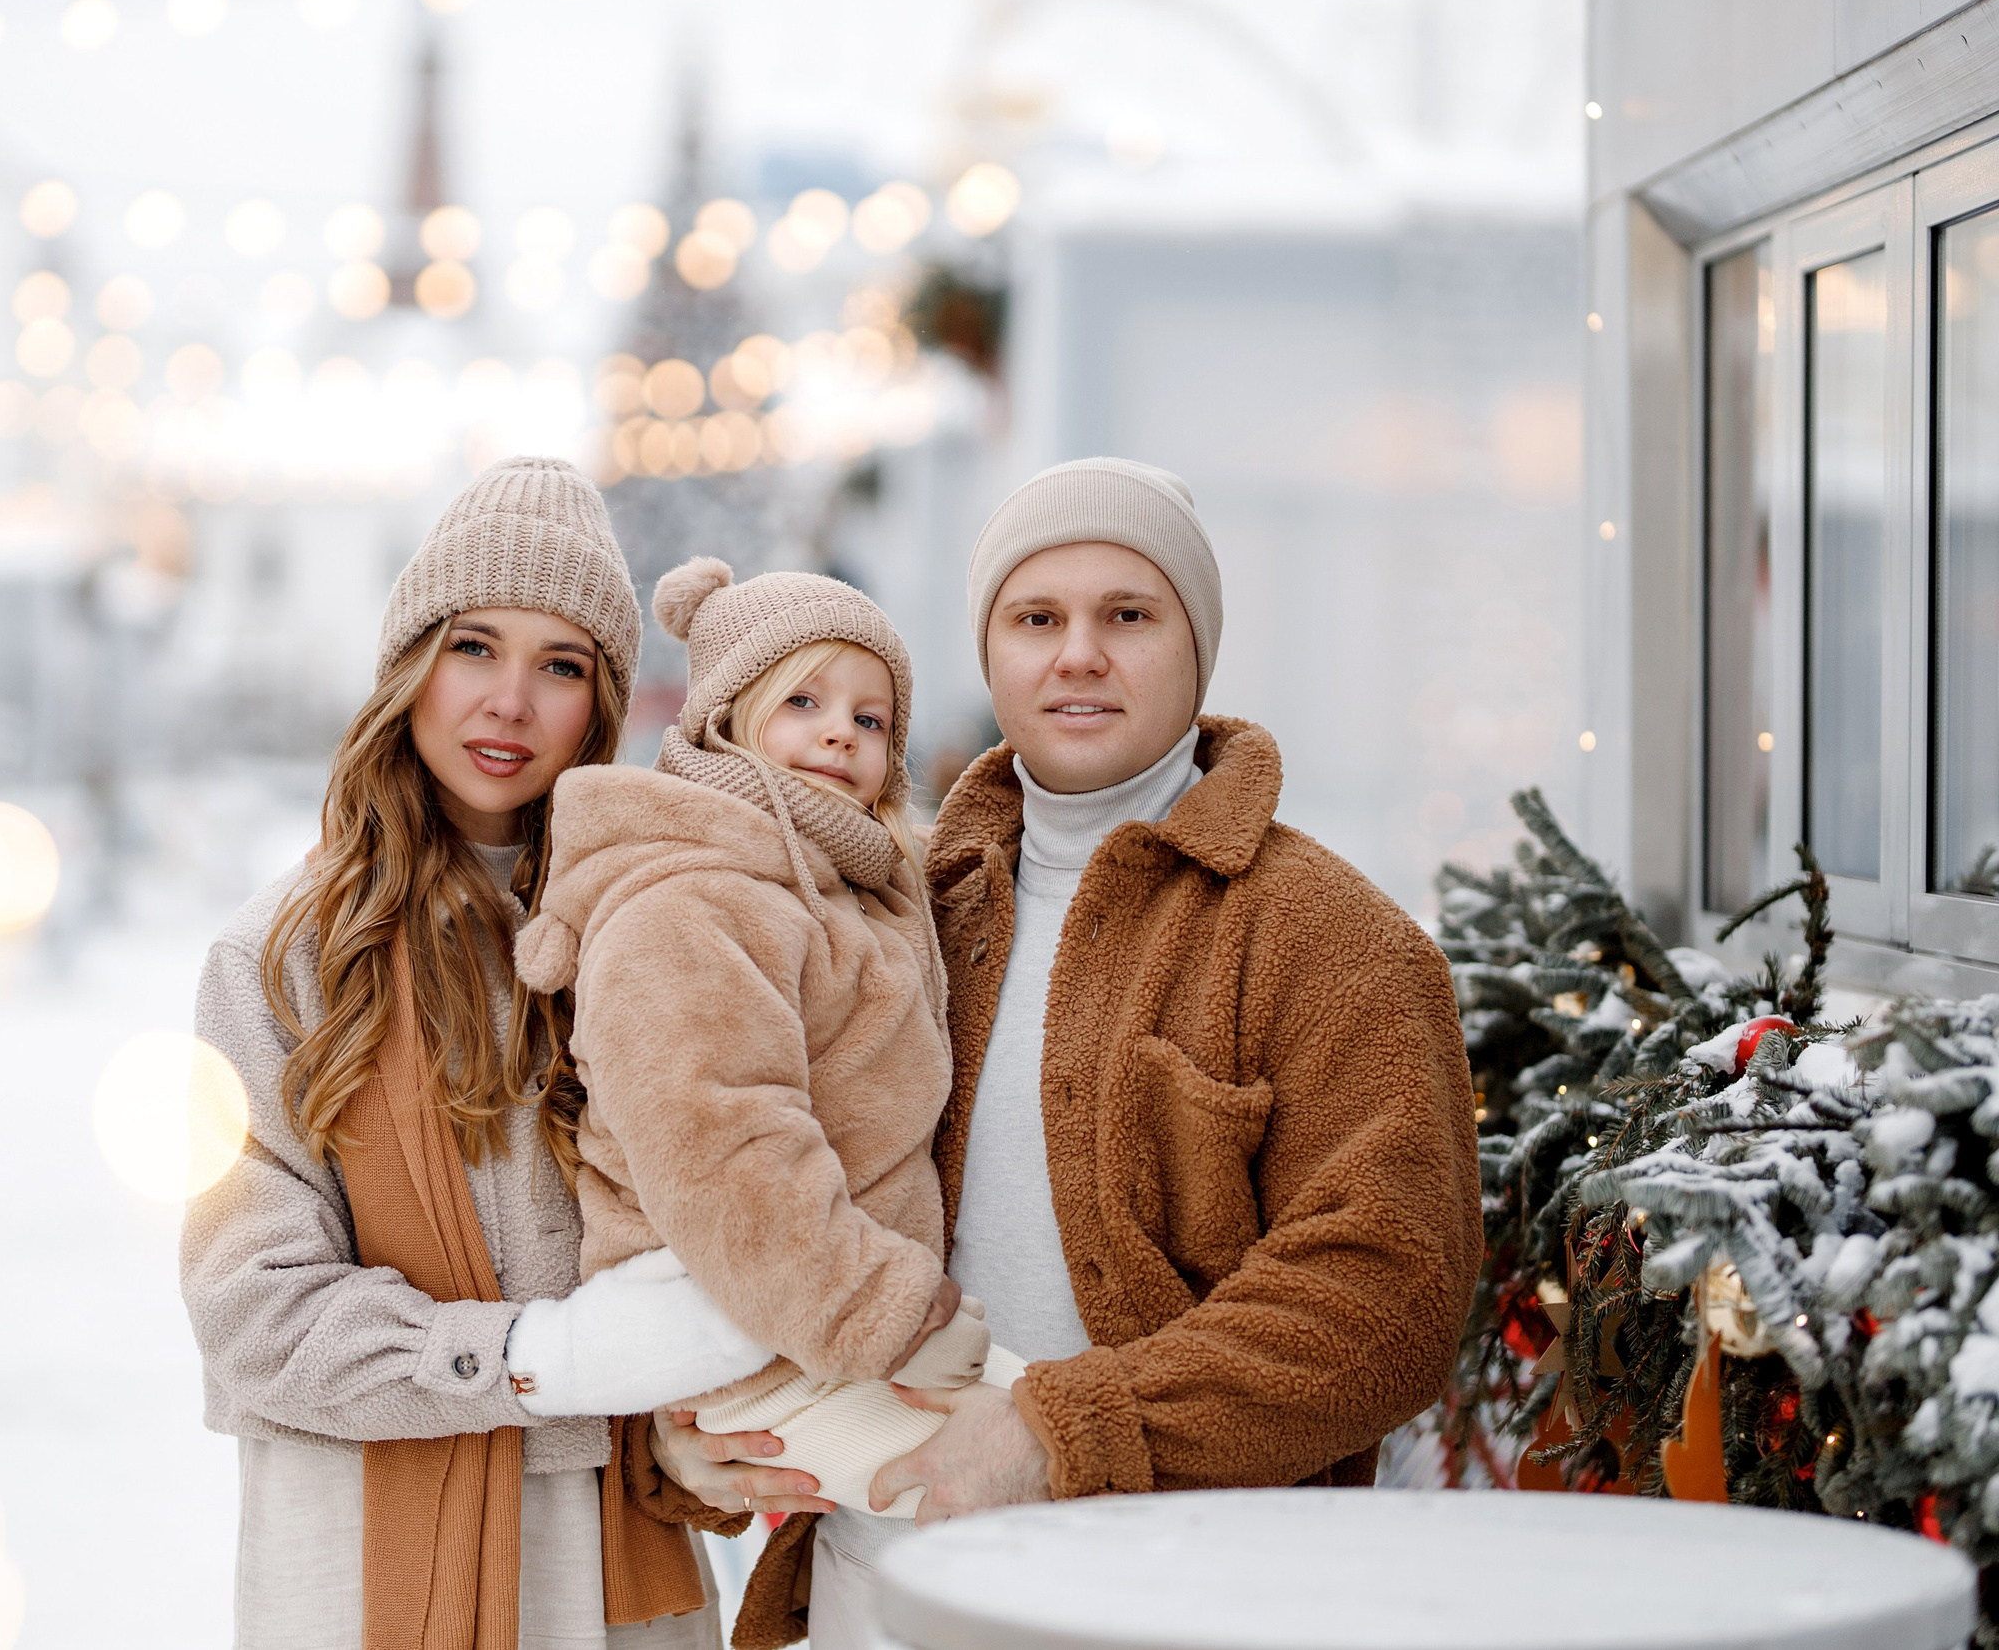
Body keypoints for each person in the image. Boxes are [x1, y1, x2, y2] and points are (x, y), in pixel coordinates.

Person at [665, 459, 1483, 1649]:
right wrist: (686, 1429)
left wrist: (1062, 1432)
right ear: (989, 652)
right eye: (1036, 619)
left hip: (1171, 1598)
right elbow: (729, 1173)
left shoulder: (1332, 940)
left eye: (1128, 615)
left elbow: (1386, 1297)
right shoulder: (894, 909)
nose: (1079, 656)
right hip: (871, 1581)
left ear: (1197, 647)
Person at [182, 457, 745, 1650]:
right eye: (473, 647)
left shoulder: (649, 941)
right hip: (358, 1558)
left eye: (561, 666)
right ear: (410, 666)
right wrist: (534, 1358)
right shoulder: (277, 961)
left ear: (601, 705)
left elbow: (716, 1231)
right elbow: (252, 1310)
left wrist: (694, 1420)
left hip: (615, 1554)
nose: (510, 702)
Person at [504, 559, 1003, 1516]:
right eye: (802, 699)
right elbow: (725, 1150)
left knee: (1058, 1450)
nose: (839, 731)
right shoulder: (689, 904)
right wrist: (883, 1310)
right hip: (739, 1323)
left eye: (870, 719)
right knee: (1030, 1493)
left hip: (810, 1324)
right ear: (727, 715)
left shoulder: (846, 886)